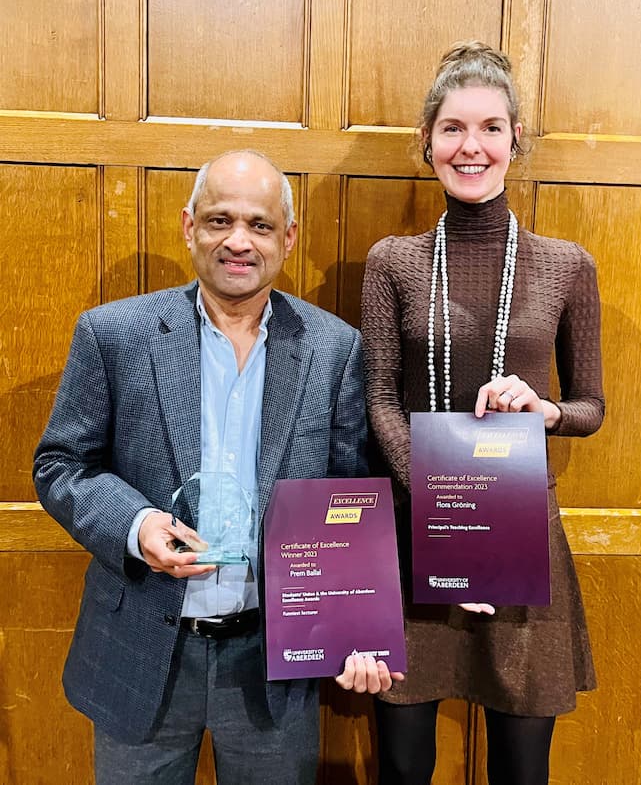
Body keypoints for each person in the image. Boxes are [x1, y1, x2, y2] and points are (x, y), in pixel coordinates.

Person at [33, 150, 395, 785]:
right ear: (188, 226)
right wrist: (136, 524)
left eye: (260, 225)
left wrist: (354, 628)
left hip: (273, 662)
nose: (238, 241)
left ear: (288, 237)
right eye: (220, 220)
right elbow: (61, 464)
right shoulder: (114, 334)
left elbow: (348, 497)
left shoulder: (334, 348)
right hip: (140, 651)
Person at [360, 42, 604, 785]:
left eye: (491, 128)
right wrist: (443, 515)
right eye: (453, 129)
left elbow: (591, 406)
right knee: (403, 764)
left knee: (523, 768)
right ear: (427, 141)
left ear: (515, 139)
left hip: (521, 539)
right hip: (415, 535)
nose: (472, 147)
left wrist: (545, 409)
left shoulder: (566, 264)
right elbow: (380, 397)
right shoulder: (393, 261)